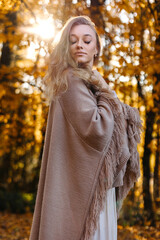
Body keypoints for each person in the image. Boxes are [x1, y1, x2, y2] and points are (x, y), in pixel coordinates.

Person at [29, 16, 142, 240]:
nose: (80, 45)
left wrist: (104, 91)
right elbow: (97, 130)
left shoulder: (90, 81)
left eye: (87, 40)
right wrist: (109, 97)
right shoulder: (71, 79)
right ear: (67, 47)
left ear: (96, 48)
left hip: (95, 184)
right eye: (73, 41)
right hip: (87, 191)